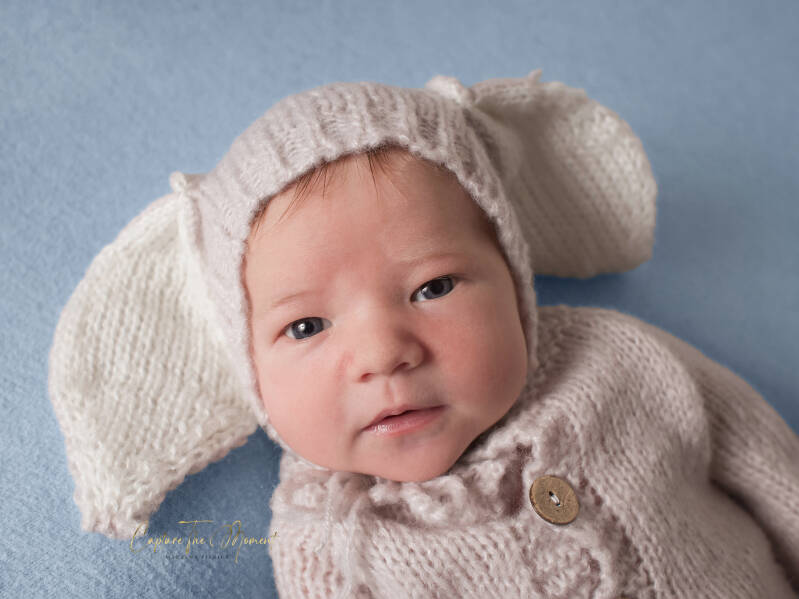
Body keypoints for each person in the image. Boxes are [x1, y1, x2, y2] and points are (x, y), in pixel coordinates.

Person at [49, 70, 799, 598]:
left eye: (433, 287)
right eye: (306, 326)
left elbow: (770, 467)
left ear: (512, 273)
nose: (384, 354)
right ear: (248, 367)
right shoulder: (326, 539)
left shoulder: (617, 363)